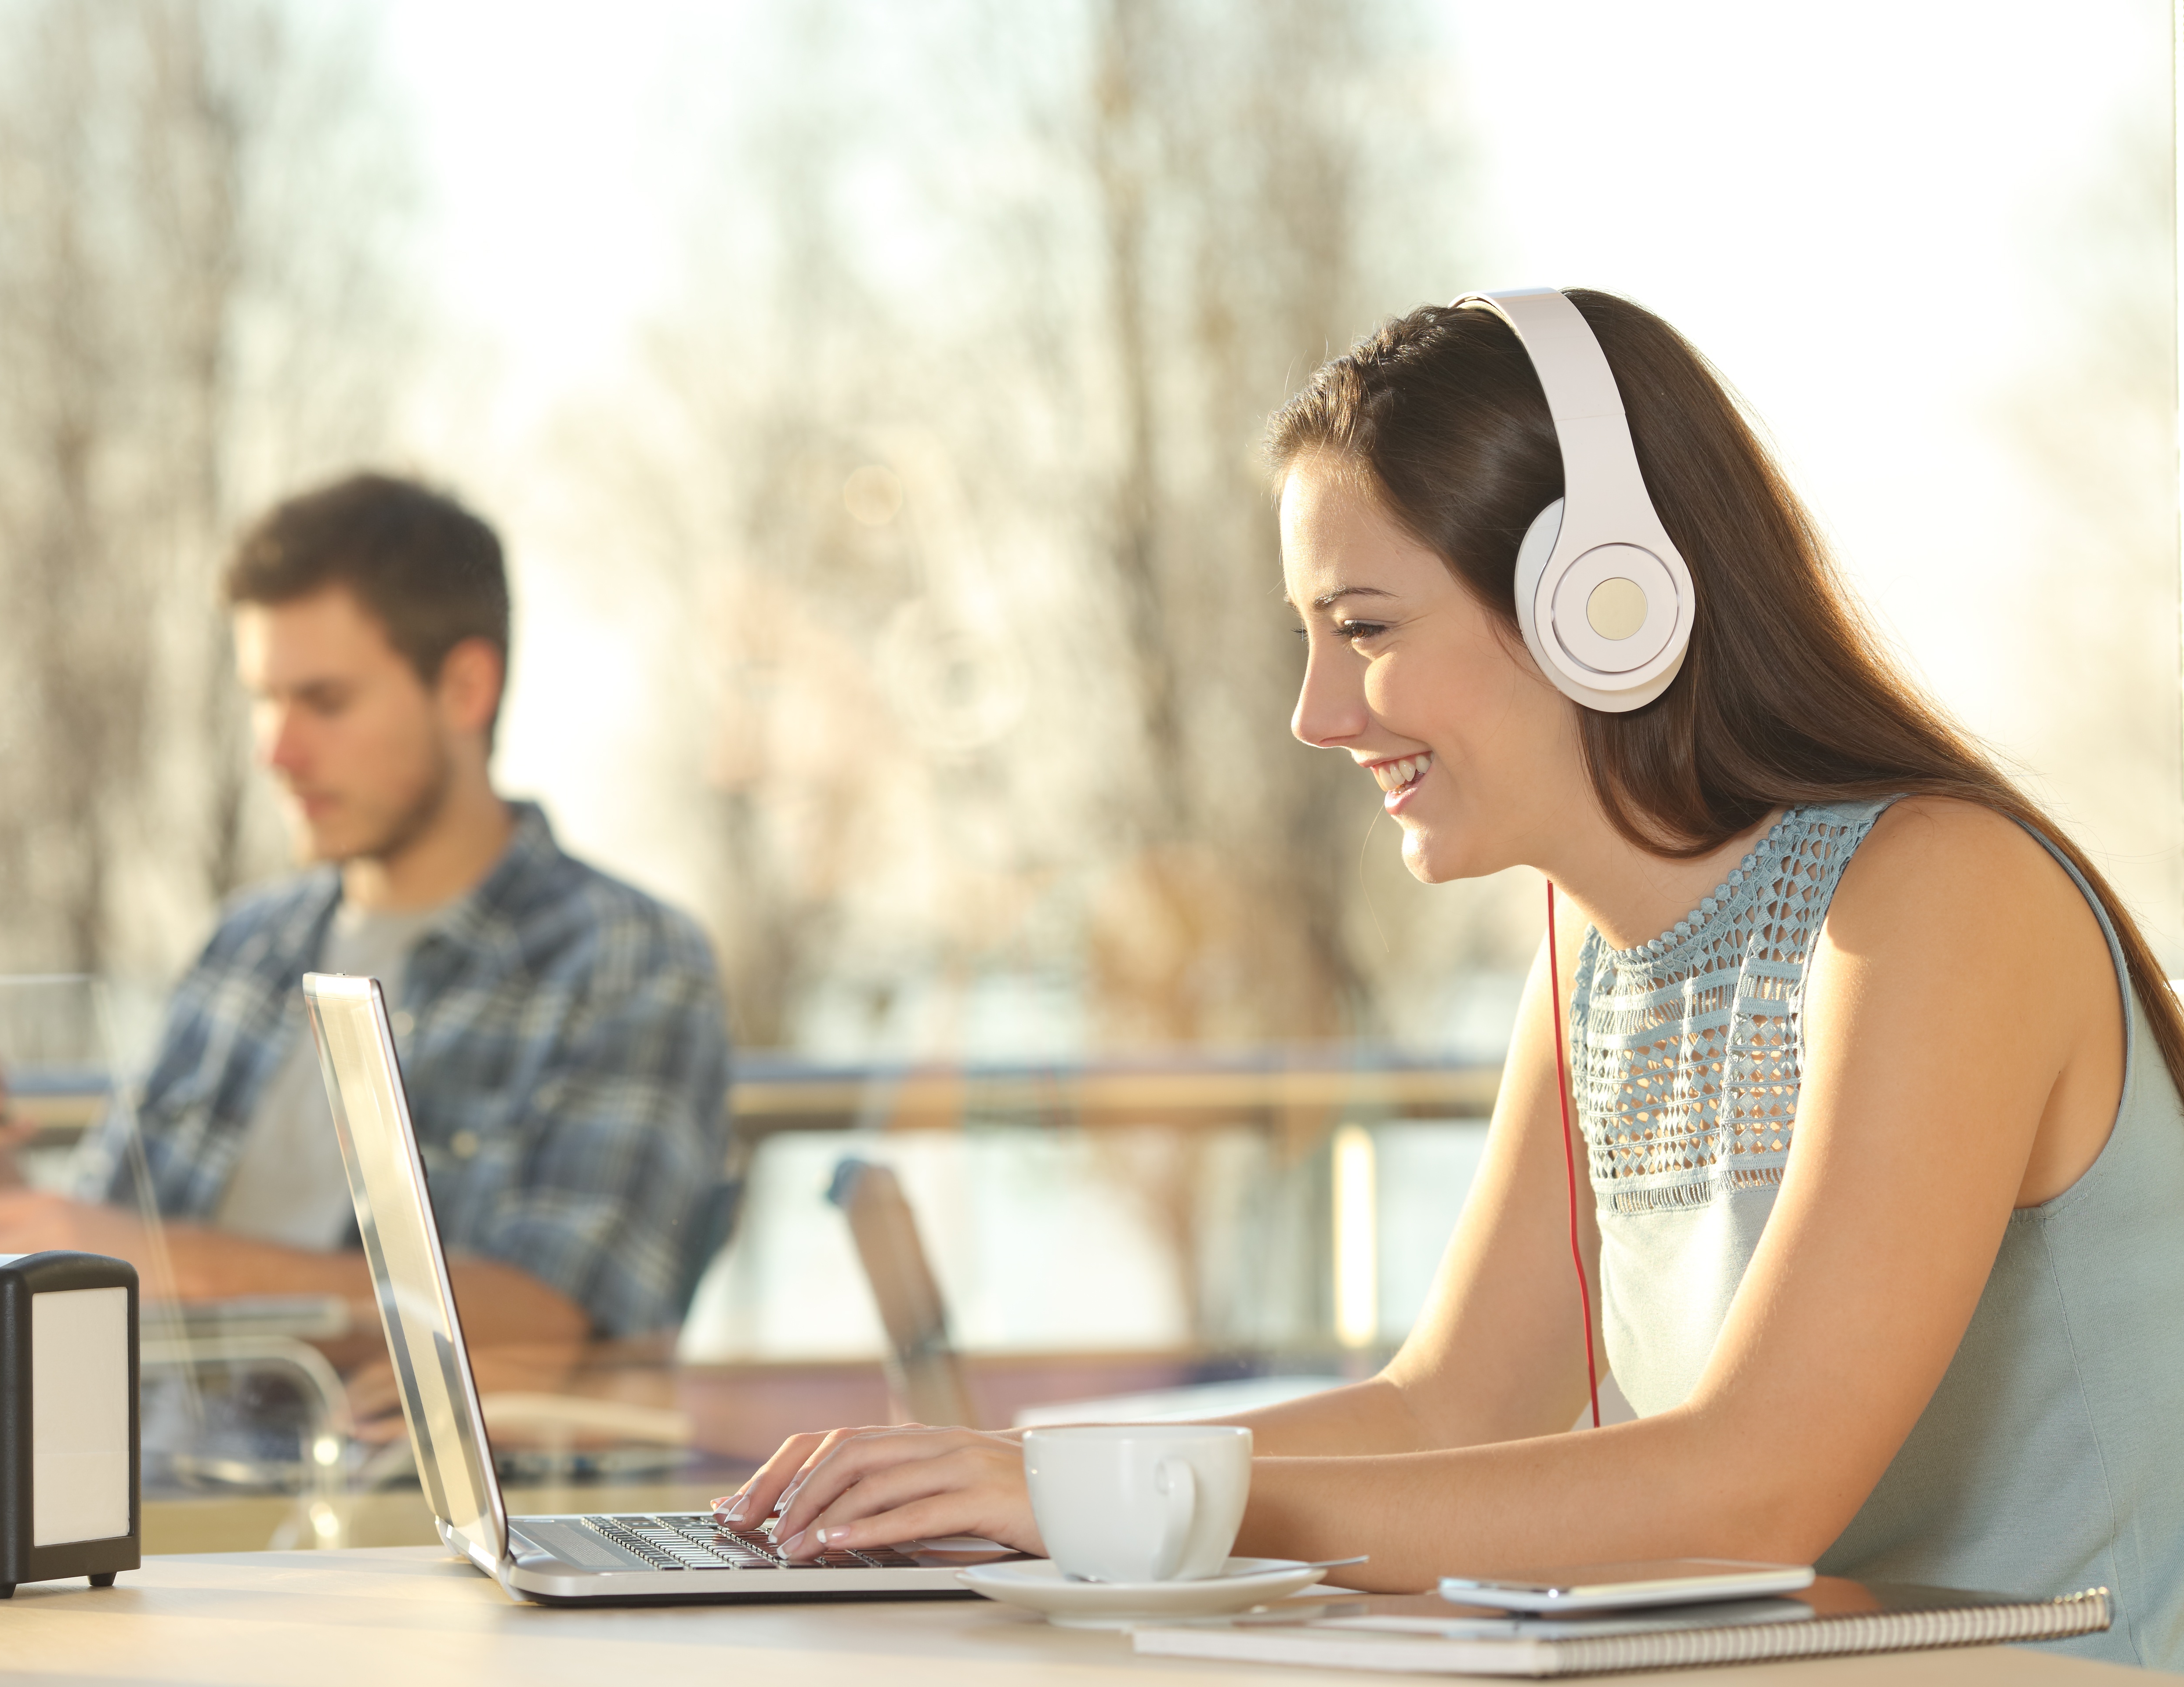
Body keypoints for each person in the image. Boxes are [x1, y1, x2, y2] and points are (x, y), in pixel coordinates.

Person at [711, 292, 2184, 1669]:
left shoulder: (1942, 899)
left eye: (1364, 630)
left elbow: (1749, 1496)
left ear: (1603, 603)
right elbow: (1448, 1415)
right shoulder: (1590, 957)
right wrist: (1037, 1485)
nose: (1316, 712)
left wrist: (1140, 1511)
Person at [0, 472, 731, 1406]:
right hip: (141, 1500)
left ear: (466, 687)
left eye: (324, 702)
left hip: (376, 1522)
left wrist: (167, 1269)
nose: (276, 752)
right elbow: (112, 1258)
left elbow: (547, 1317)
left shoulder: (622, 960)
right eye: (264, 699)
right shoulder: (249, 943)